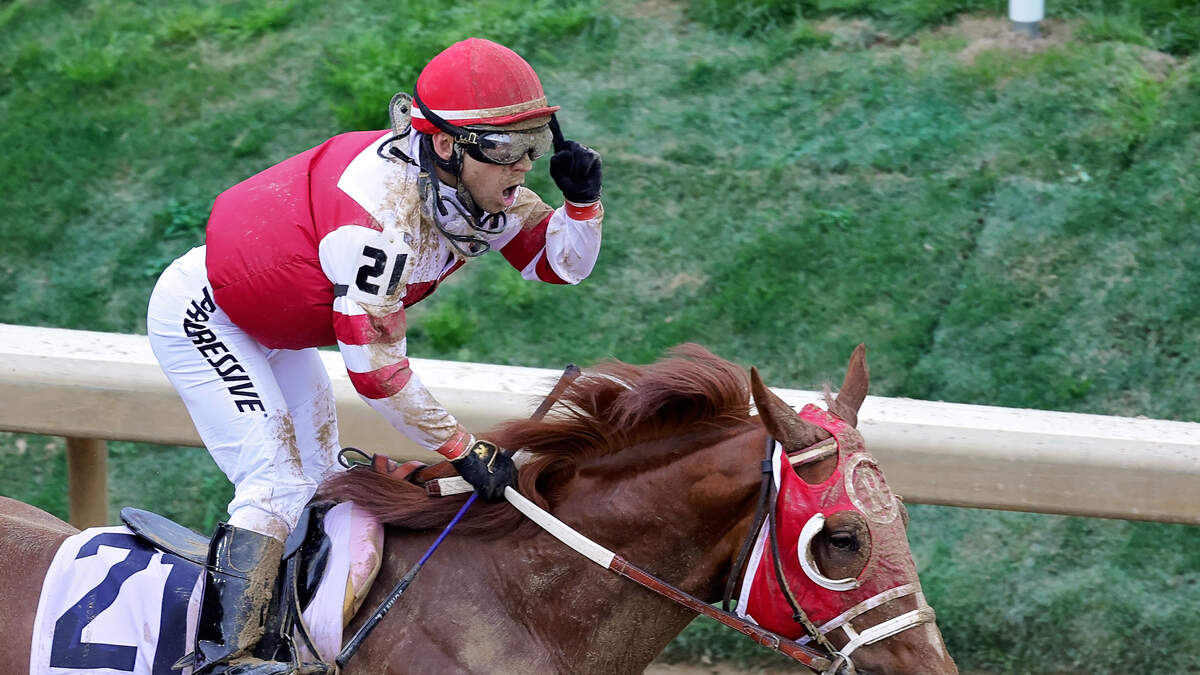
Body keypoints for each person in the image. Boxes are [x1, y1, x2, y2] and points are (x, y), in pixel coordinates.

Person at [146, 37, 603, 674]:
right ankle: (222, 660)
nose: (524, 167)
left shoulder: (474, 185)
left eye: (534, 144)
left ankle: (290, 635)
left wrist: (582, 204)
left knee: (322, 483)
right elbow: (377, 374)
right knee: (275, 483)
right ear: (446, 146)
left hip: (273, 324)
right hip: (208, 316)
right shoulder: (379, 220)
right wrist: (464, 450)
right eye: (507, 149)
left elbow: (558, 265)